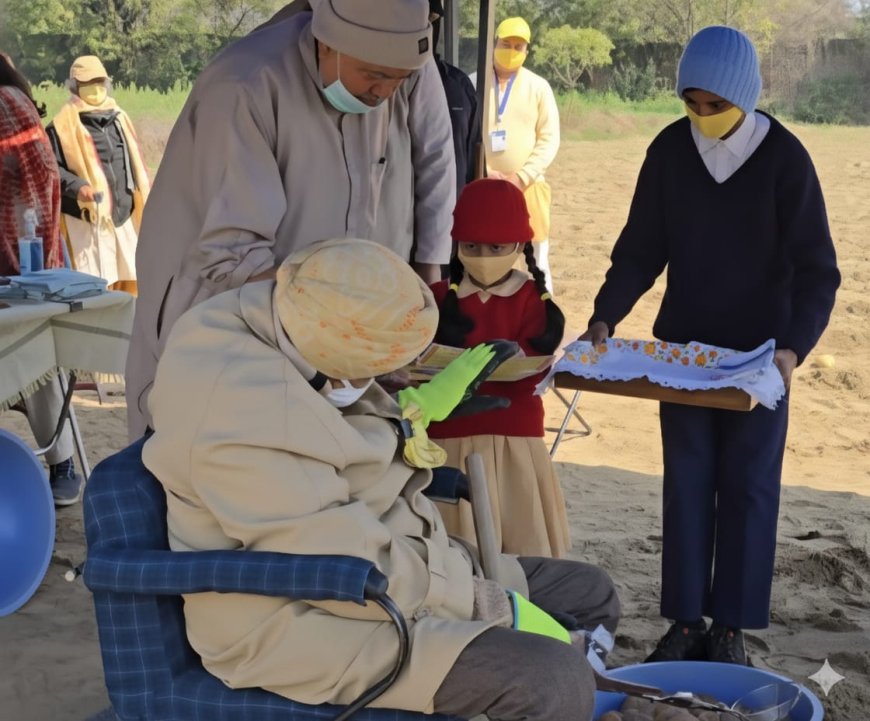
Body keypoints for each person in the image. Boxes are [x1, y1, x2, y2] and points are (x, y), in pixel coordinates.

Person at [143, 237, 619, 721]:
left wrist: (409, 415)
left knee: (590, 593)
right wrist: (480, 604)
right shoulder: (241, 409)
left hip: (397, 557)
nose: (388, 378)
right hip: (306, 613)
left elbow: (345, 444)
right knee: (551, 679)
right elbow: (337, 557)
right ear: (340, 352)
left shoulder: (292, 315)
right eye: (380, 367)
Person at [580, 26, 840, 665]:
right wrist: (605, 316)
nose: (702, 117)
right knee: (688, 481)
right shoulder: (669, 151)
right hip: (685, 356)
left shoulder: (786, 159)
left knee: (750, 485)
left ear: (745, 96)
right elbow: (642, 247)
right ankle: (686, 620)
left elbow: (818, 270)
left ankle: (732, 628)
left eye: (714, 105)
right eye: (691, 104)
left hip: (760, 360)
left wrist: (790, 352)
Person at [125, 0, 457, 440]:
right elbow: (232, 262)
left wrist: (383, 334)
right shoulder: (245, 87)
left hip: (317, 350)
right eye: (374, 76)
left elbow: (426, 167)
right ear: (326, 45)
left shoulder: (384, 77)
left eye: (400, 82)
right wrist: (345, 344)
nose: (383, 94)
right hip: (226, 337)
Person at [423, 178, 569, 557]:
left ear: (520, 246)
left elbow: (533, 371)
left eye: (496, 247)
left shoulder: (533, 301)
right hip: (445, 439)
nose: (483, 256)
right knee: (454, 554)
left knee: (521, 553)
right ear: (456, 244)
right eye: (471, 246)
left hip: (515, 441)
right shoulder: (437, 299)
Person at [1, 52, 84, 505]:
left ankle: (62, 461)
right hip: (37, 262)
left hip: (17, 263)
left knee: (32, 363)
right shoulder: (20, 99)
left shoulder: (5, 107)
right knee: (36, 361)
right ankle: (62, 462)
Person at [46, 55, 149, 295]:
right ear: (75, 86)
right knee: (95, 290)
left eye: (99, 81)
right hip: (87, 223)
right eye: (88, 82)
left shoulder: (119, 119)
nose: (95, 87)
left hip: (124, 219)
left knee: (131, 287)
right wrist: (78, 186)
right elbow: (51, 169)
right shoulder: (60, 127)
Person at [483, 16, 560, 293]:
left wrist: (521, 177)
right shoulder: (473, 82)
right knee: (486, 261)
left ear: (527, 51)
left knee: (536, 260)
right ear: (494, 43)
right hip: (483, 188)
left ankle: (543, 321)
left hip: (529, 188)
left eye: (519, 46)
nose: (512, 51)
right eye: (506, 44)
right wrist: (484, 173)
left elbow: (549, 139)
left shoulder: (539, 87)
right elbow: (464, 136)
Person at [429, 0, 481, 195]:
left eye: (432, 18)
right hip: (398, 218)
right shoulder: (382, 86)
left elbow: (474, 157)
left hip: (454, 211)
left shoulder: (459, 87)